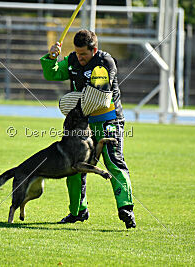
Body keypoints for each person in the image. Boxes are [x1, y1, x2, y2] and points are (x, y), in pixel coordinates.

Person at [40, 29, 136, 229]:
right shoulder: (73, 59)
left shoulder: (105, 63)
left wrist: (73, 103)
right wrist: (51, 58)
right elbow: (53, 74)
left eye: (83, 54)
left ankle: (125, 208)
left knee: (113, 161)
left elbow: (98, 97)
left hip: (108, 120)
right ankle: (78, 211)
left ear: (94, 49)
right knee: (74, 166)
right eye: (77, 53)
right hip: (81, 125)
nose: (80, 58)